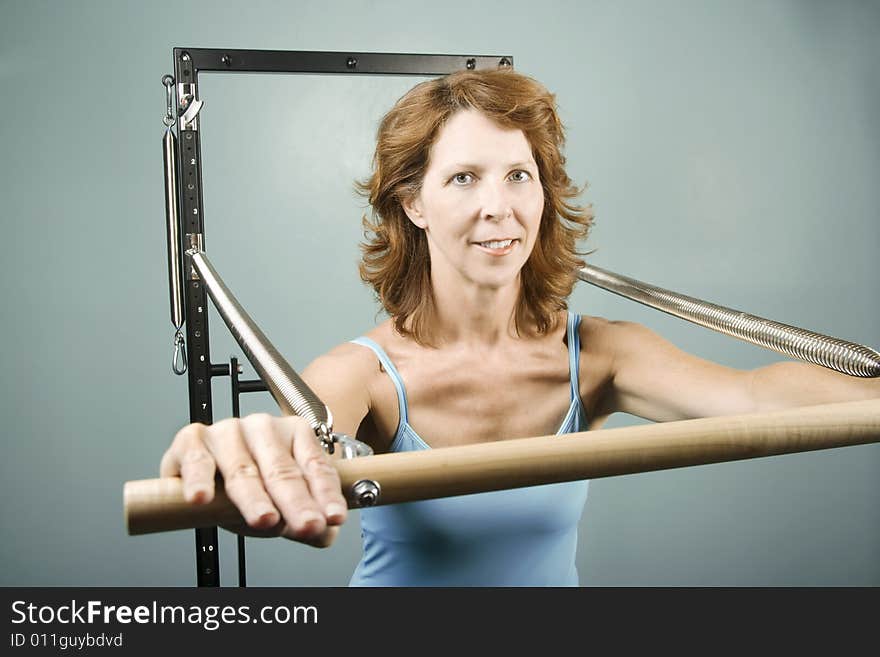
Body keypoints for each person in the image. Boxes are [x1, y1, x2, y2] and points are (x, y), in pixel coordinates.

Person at [160, 68, 879, 586]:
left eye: (519, 174)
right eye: (464, 178)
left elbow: (755, 400)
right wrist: (235, 456)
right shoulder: (367, 373)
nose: (499, 207)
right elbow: (295, 433)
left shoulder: (597, 354)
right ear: (414, 203)